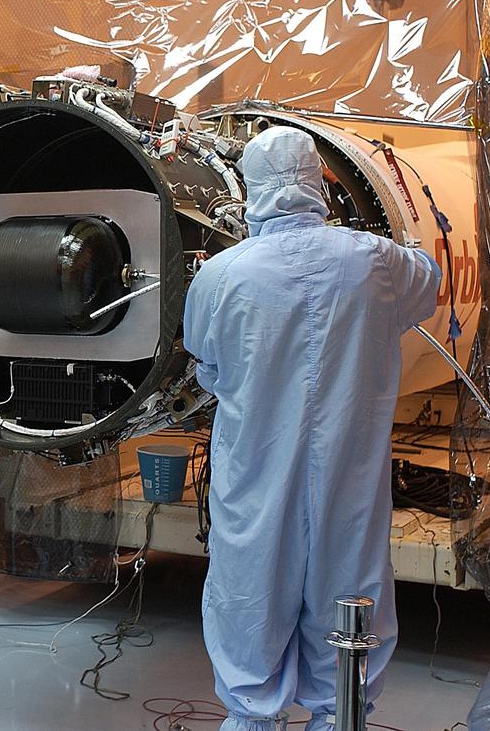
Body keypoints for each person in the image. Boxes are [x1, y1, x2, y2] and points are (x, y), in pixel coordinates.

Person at [182, 126, 441, 730]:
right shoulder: (377, 263)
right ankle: (340, 715)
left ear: (251, 188)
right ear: (319, 180)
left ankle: (253, 714)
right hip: (348, 469)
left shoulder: (222, 276)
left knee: (249, 587)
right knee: (349, 583)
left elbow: (204, 359)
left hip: (255, 469)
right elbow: (428, 281)